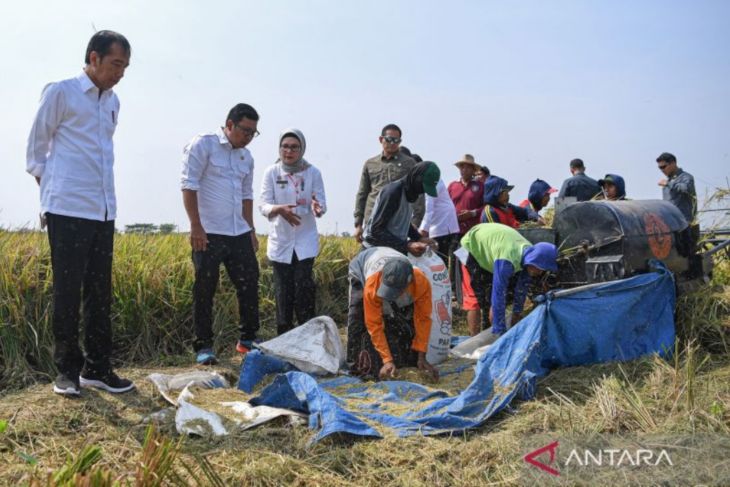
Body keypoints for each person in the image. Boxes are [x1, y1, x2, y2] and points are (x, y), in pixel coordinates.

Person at [26, 30, 134, 396]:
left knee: (100, 293)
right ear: (94, 58)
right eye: (116, 64)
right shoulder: (62, 92)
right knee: (68, 292)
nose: (120, 72)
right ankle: (67, 372)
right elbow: (36, 151)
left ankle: (98, 368)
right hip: (67, 208)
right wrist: (52, 197)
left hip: (103, 209)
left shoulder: (113, 101)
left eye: (125, 67)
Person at [181, 103, 261, 365]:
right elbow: (189, 185)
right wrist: (195, 226)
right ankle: (203, 346)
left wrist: (250, 228)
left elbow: (247, 196)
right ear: (229, 125)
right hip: (209, 232)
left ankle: (247, 341)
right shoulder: (203, 145)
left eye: (253, 133)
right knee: (205, 289)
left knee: (249, 283)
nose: (248, 137)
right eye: (245, 130)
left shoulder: (246, 157)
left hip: (238, 231)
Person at [259, 129, 326, 335]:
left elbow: (321, 203)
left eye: (294, 147)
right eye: (285, 146)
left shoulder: (313, 172)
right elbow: (263, 204)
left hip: (305, 241)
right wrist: (278, 209)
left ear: (302, 149)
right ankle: (284, 334)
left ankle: (307, 335)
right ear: (279, 149)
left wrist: (317, 207)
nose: (289, 151)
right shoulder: (272, 172)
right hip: (281, 241)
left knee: (304, 288)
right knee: (283, 290)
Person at [346, 246, 439, 381]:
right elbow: (374, 324)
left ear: (409, 282)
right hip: (361, 267)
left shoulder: (421, 283)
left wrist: (421, 355)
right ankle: (356, 367)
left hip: (396, 268)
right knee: (357, 318)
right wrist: (387, 360)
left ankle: (406, 356)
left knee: (401, 320)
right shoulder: (373, 285)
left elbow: (423, 319)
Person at [460, 223, 558, 336]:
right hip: (467, 246)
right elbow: (498, 296)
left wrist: (517, 313)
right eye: (541, 269)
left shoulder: (529, 254)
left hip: (491, 247)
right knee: (475, 299)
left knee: (491, 297)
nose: (541, 273)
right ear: (534, 262)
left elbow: (522, 288)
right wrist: (500, 332)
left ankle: (490, 335)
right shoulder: (506, 261)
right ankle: (474, 343)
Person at [353, 124, 424, 242]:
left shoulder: (410, 163)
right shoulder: (370, 164)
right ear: (381, 139)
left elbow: (419, 196)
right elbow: (362, 193)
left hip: (398, 221)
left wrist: (415, 222)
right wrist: (358, 224)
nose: (393, 143)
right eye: (389, 139)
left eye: (396, 140)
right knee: (371, 255)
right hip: (373, 219)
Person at [363, 161, 440, 256]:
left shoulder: (410, 193)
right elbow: (376, 230)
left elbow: (400, 223)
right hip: (375, 251)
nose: (422, 192)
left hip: (393, 250)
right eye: (422, 187)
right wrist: (407, 245)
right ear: (416, 177)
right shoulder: (393, 192)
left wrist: (418, 238)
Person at [418, 178, 460, 264]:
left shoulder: (429, 180)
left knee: (443, 260)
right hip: (446, 223)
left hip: (442, 225)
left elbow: (429, 209)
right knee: (452, 258)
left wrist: (422, 231)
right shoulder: (434, 177)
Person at [448, 154, 485, 236]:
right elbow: (445, 206)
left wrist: (472, 213)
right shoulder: (452, 186)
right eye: (462, 167)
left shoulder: (481, 186)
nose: (464, 170)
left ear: (473, 170)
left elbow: (486, 207)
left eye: (468, 167)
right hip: (453, 230)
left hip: (473, 231)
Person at [657, 152, 697, 223]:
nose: (662, 170)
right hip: (671, 222)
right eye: (660, 168)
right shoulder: (669, 181)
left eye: (663, 167)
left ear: (673, 163)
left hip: (685, 222)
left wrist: (668, 184)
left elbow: (686, 189)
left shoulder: (686, 177)